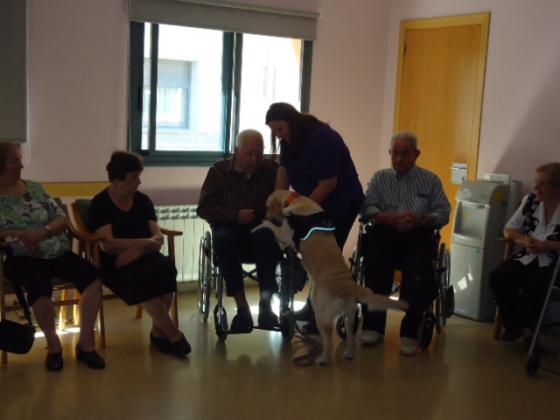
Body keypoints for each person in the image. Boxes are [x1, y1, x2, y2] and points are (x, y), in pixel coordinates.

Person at [0, 141, 105, 371]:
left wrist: (42, 232)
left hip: (56, 251)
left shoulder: (35, 188)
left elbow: (61, 219)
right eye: (15, 161)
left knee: (93, 278)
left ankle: (86, 344)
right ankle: (54, 346)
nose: (21, 165)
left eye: (20, 159)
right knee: (39, 287)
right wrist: (18, 236)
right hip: (23, 257)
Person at [265, 103, 364, 331]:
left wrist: (301, 210)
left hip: (340, 203)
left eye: (280, 130)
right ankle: (312, 307)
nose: (278, 135)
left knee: (324, 257)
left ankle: (322, 317)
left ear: (291, 122)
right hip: (314, 200)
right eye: (274, 132)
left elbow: (328, 184)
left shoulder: (322, 138)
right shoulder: (289, 140)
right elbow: (283, 174)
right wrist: (276, 208)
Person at [89, 151, 190, 357]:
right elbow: (108, 244)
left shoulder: (143, 201)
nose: (139, 181)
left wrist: (138, 250)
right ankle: (173, 334)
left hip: (144, 255)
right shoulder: (101, 203)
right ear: (118, 179)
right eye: (134, 177)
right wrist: (144, 243)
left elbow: (157, 238)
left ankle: (158, 332)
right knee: (140, 277)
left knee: (166, 268)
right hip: (116, 262)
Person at [360, 131, 451, 356]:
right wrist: (385, 217)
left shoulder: (430, 180)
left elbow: (443, 213)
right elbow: (366, 207)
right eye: (395, 154)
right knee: (374, 265)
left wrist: (421, 219)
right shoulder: (380, 178)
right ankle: (373, 327)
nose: (399, 159)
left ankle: (409, 332)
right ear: (390, 153)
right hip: (384, 231)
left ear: (416, 154)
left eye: (405, 154)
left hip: (417, 235)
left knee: (419, 273)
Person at [197, 129, 280, 333]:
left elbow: (282, 201)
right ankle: (242, 309)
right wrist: (235, 215)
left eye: (259, 153)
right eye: (249, 153)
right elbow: (204, 208)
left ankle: (266, 306)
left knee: (267, 237)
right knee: (224, 240)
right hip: (229, 229)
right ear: (236, 151)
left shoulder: (271, 170)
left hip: (260, 230)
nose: (254, 159)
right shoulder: (219, 171)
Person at [490, 163, 560, 342]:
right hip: (529, 256)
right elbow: (508, 229)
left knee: (536, 283)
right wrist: (524, 240)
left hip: (555, 261)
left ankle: (528, 331)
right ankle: (519, 327)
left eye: (543, 184)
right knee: (498, 276)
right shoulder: (531, 201)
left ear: (556, 188)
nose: (536, 188)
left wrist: (547, 245)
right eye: (536, 182)